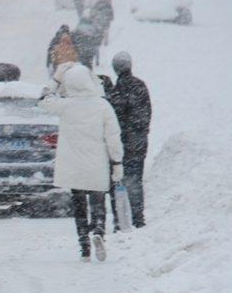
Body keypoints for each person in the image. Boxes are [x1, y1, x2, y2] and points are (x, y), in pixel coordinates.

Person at [40, 64, 124, 261]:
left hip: (74, 166)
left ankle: (84, 246)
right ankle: (98, 230)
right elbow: (113, 137)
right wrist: (117, 162)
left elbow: (43, 99)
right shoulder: (103, 106)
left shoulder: (65, 105)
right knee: (98, 201)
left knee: (78, 205)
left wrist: (56, 80)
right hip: (97, 165)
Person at [104, 52, 151, 228]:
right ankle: (138, 218)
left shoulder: (116, 91)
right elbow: (144, 116)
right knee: (135, 180)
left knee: (117, 181)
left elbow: (114, 118)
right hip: (138, 144)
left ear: (115, 69)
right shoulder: (140, 86)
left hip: (122, 144)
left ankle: (120, 220)